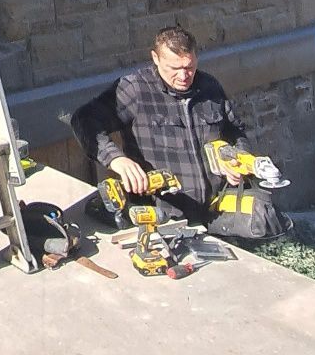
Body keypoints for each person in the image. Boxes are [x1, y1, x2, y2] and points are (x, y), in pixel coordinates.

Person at [70, 25, 288, 240]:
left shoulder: (209, 87)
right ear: (155, 58)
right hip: (164, 218)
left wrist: (239, 158)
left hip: (216, 212)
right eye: (174, 68)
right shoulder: (135, 89)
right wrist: (116, 160)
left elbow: (235, 130)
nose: (184, 75)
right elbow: (84, 120)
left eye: (189, 67)